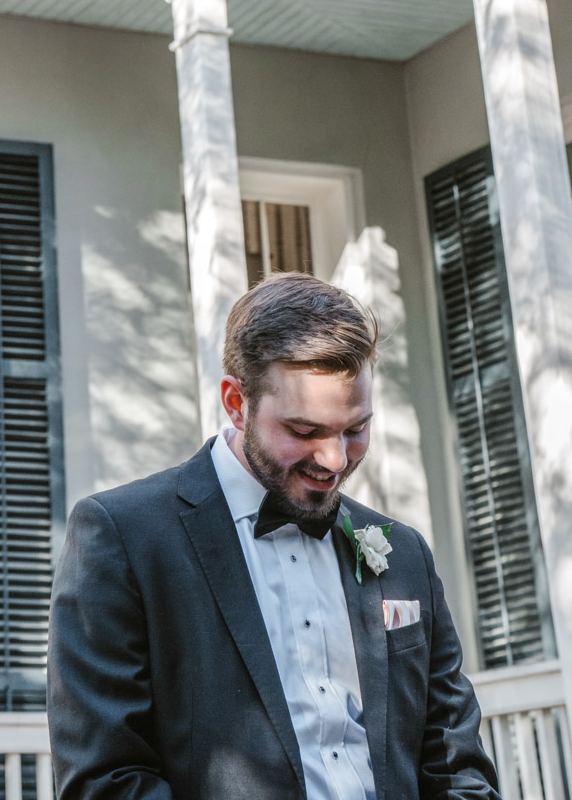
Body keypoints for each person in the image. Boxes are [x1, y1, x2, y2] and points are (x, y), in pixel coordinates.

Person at [47, 272, 498, 800]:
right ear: (236, 403)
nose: (334, 460)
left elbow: (456, 765)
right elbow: (105, 780)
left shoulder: (404, 553)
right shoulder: (122, 537)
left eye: (355, 429)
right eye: (305, 432)